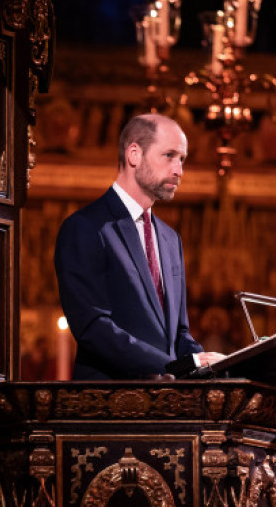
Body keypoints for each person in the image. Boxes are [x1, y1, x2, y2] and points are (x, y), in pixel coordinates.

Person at [54, 113, 225, 380]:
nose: (179, 170)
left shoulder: (170, 239)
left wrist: (211, 365)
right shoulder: (85, 227)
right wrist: (175, 366)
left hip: (171, 411)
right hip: (110, 407)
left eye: (182, 159)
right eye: (169, 155)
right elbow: (93, 327)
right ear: (134, 154)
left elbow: (178, 334)